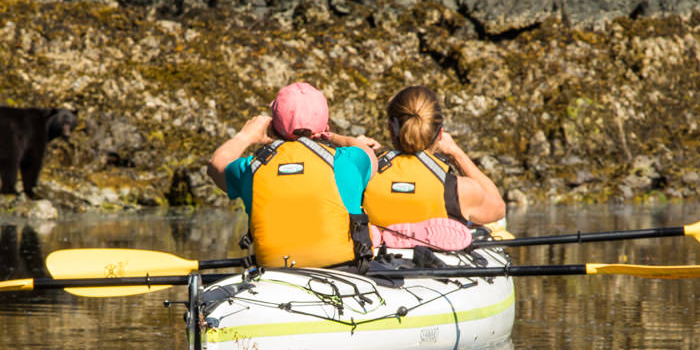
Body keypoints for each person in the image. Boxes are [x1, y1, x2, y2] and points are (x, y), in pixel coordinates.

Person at [207, 82, 379, 268]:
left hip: (276, 278)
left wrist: (245, 136)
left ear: (272, 128)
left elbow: (216, 165)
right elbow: (370, 156)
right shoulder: (346, 162)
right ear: (325, 127)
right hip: (343, 274)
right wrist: (335, 137)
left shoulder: (252, 169)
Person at [363, 86, 506, 247]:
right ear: (440, 133)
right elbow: (499, 209)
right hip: (436, 262)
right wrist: (456, 154)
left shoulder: (362, 177)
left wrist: (351, 149)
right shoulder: (459, 189)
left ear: (391, 128)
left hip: (378, 261)